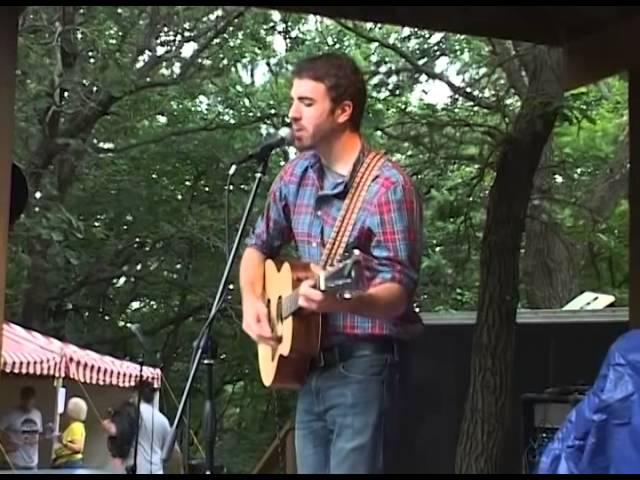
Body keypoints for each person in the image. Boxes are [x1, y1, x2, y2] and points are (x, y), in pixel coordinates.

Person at [239, 52, 423, 474]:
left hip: (365, 365)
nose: (292, 114)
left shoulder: (387, 187)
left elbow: (398, 292)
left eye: (306, 103)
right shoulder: (294, 177)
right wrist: (253, 301)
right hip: (309, 368)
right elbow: (256, 247)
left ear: (343, 111)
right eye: (293, 101)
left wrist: (342, 302)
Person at [101, 380, 171, 474]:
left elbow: (114, 430)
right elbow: (168, 449)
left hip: (136, 469)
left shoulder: (131, 412)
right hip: (157, 471)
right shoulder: (163, 420)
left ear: (136, 394)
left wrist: (106, 424)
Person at [0, 386, 43, 470]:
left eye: (31, 400)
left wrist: (46, 435)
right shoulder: (11, 415)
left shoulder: (37, 414)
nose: (28, 403)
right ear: (22, 399)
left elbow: (38, 435)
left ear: (34, 400)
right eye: (26, 400)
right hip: (15, 462)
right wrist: (5, 445)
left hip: (32, 463)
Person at [51, 397, 87, 469]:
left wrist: (64, 442)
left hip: (70, 463)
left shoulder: (75, 427)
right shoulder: (77, 426)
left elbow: (78, 448)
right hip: (67, 462)